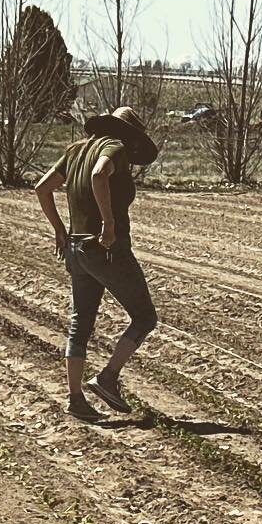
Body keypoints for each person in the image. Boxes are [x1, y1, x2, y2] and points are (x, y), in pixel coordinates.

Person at [33, 106, 160, 420]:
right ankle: (107, 378)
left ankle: (76, 399)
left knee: (81, 323)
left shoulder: (76, 151)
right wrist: (109, 224)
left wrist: (60, 230)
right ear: (129, 136)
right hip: (106, 250)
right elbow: (99, 174)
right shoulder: (113, 148)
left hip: (76, 249)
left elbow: (42, 187)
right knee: (144, 317)